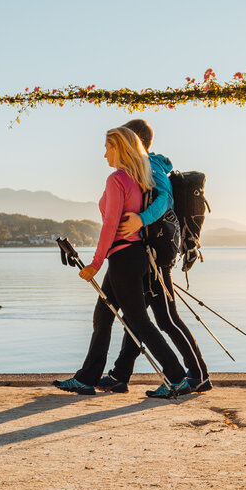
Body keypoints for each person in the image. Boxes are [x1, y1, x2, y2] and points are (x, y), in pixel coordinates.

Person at [52, 127, 191, 399]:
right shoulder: (138, 180)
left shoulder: (116, 179)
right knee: (103, 316)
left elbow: (110, 225)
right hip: (134, 256)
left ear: (120, 148)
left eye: (108, 148)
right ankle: (87, 377)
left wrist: (94, 263)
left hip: (123, 257)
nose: (104, 154)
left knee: (138, 322)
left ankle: (176, 377)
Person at [97, 118, 211, 393]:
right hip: (147, 253)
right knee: (139, 318)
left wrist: (140, 219)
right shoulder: (138, 167)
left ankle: (198, 376)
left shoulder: (150, 164)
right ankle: (120, 374)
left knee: (166, 319)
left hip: (156, 256)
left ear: (133, 140)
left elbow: (165, 200)